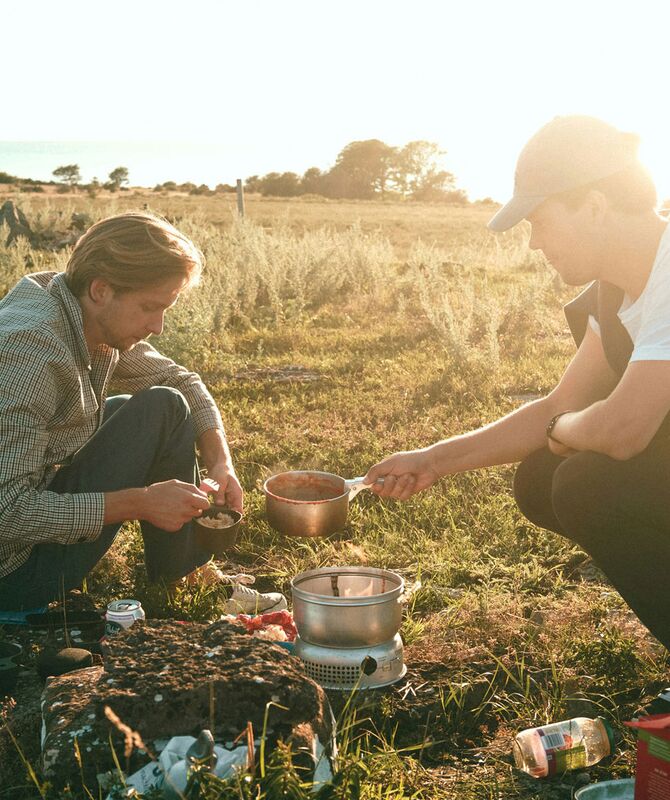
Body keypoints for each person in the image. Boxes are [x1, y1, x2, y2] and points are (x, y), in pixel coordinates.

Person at [365, 115, 670, 650]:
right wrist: (431, 460)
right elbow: (559, 405)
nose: (535, 244)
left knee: (588, 483)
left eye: (540, 222)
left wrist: (561, 428)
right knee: (542, 478)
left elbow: (621, 430)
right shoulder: (615, 292)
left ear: (594, 207)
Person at [0, 212, 285, 614]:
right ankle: (183, 572)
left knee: (163, 405)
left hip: (27, 509)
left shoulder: (71, 304)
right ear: (101, 289)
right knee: (159, 406)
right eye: (150, 307)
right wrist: (141, 502)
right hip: (13, 575)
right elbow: (6, 513)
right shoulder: (30, 354)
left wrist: (220, 462)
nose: (158, 326)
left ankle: (180, 571)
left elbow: (180, 380)